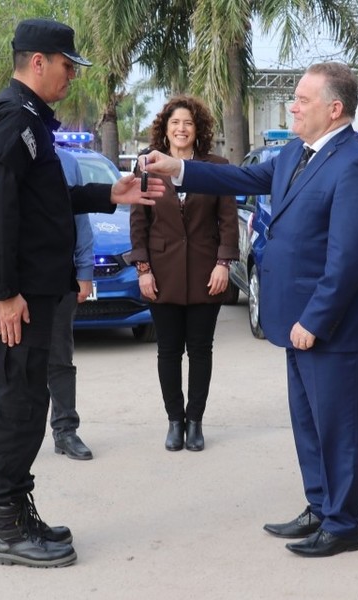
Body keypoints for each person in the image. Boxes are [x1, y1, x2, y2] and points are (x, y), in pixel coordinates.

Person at [144, 62, 358, 557]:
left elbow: (348, 257)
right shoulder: (297, 151)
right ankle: (319, 507)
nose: (292, 106)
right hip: (294, 322)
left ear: (334, 109)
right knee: (309, 425)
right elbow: (242, 175)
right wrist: (179, 168)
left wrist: (314, 321)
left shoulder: (356, 163)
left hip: (329, 327)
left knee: (339, 429)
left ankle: (343, 525)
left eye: (302, 99)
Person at [0, 18, 160, 568]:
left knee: (29, 400)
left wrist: (108, 193)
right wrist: (2, 292)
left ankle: (21, 513)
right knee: (13, 402)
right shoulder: (12, 119)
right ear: (40, 61)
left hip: (36, 289)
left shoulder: (32, 122)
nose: (72, 76)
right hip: (19, 295)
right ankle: (7, 527)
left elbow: (41, 202)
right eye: (68, 65)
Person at [130, 95, 239, 452]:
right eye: (175, 123)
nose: (181, 129)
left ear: (198, 130)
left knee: (201, 350)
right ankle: (174, 422)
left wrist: (224, 263)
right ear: (165, 128)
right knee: (168, 351)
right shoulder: (146, 166)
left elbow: (227, 222)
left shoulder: (216, 166)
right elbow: (138, 223)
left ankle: (195, 422)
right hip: (161, 275)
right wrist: (143, 269)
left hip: (208, 274)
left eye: (188, 123)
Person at [49, 212, 95, 460]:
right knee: (15, 364)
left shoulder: (66, 170)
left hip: (59, 279)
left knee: (60, 358)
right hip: (15, 283)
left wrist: (85, 270)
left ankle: (65, 431)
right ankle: (16, 437)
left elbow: (79, 217)